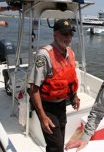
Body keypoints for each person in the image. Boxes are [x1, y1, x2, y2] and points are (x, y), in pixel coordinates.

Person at [28, 19, 80, 152]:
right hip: (47, 107)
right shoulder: (44, 55)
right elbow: (34, 89)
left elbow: (69, 79)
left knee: (60, 141)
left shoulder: (70, 53)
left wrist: (74, 96)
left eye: (70, 34)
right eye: (64, 34)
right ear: (55, 34)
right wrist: (42, 116)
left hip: (62, 105)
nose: (68, 38)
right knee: (55, 147)